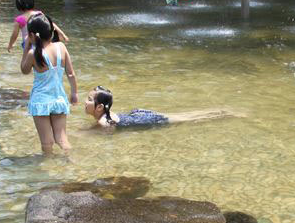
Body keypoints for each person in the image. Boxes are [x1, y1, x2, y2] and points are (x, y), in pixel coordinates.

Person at [21, 14, 78, 155]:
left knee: (47, 142)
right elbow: (71, 74)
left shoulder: (33, 53)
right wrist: (74, 93)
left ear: (32, 35)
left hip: (40, 102)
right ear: (52, 31)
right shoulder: (61, 47)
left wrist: (26, 47)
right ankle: (70, 161)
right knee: (62, 139)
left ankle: (49, 169)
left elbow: (24, 70)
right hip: (58, 99)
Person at [83, 86, 233, 129]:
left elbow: (102, 131)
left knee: (185, 119)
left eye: (89, 99)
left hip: (146, 118)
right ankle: (219, 111)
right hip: (139, 115)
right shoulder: (105, 116)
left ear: (99, 107)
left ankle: (223, 114)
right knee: (183, 116)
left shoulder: (103, 123)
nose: (85, 101)